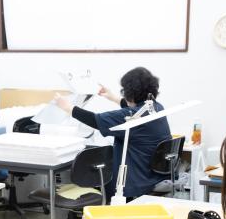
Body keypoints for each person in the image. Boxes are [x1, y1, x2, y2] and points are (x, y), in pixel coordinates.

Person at [55, 67, 171, 201]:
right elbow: (135, 109)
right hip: (152, 177)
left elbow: (95, 120)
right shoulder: (156, 108)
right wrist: (112, 97)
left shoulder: (132, 118)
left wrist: (68, 107)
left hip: (133, 183)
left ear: (130, 92)